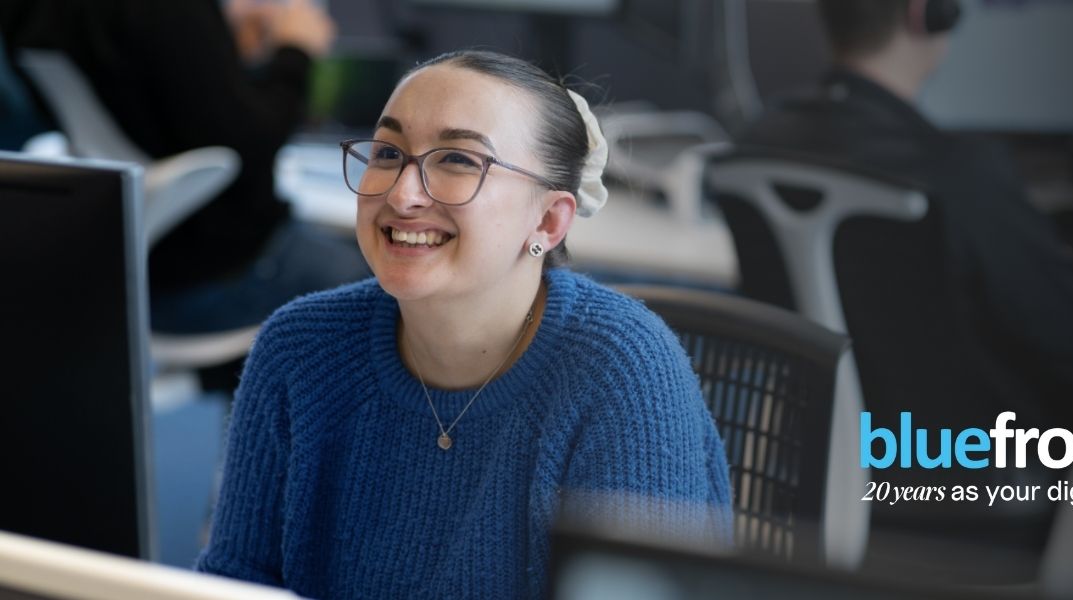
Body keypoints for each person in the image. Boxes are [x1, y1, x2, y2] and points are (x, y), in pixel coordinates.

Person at [194, 50, 734, 599]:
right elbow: (236, 584)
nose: (402, 195)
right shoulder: (299, 348)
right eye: (387, 151)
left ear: (548, 219)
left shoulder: (621, 371)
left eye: (457, 160)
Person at [731, 0, 1073, 431]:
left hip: (817, 469)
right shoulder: (958, 171)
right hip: (969, 477)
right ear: (926, 12)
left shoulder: (754, 146)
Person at [0, 0, 369, 334]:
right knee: (386, 284)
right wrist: (296, 50)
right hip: (219, 269)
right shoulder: (172, 12)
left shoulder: (34, 12)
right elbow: (251, 143)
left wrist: (219, 57)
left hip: (133, 261)